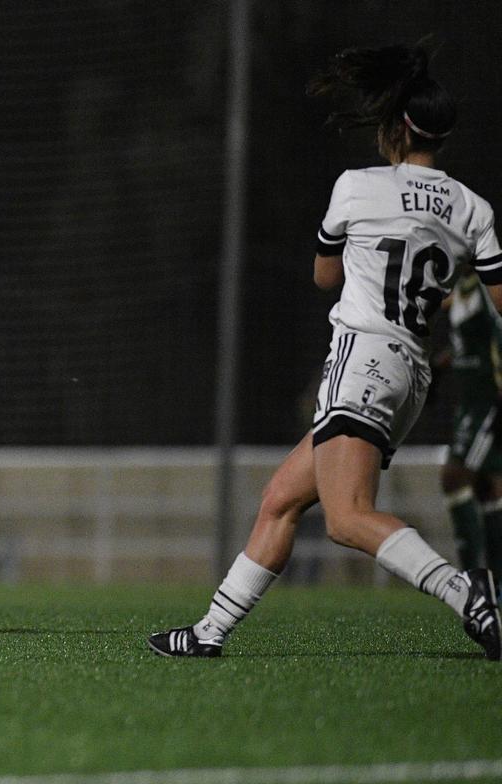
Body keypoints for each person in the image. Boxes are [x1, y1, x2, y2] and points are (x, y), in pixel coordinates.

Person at [148, 44, 502, 660]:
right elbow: (499, 297)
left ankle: (467, 593)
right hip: (410, 376)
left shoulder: (357, 187)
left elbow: (323, 276)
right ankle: (209, 632)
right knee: (281, 499)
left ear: (393, 127)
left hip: (364, 356)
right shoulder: (474, 209)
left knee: (346, 517)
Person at [439, 270, 502, 587]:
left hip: (489, 403)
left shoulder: (489, 290)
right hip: (470, 404)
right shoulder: (463, 290)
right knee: (488, 486)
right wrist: (441, 365)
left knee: (454, 475)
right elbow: (470, 343)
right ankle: (494, 581)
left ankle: (472, 579)